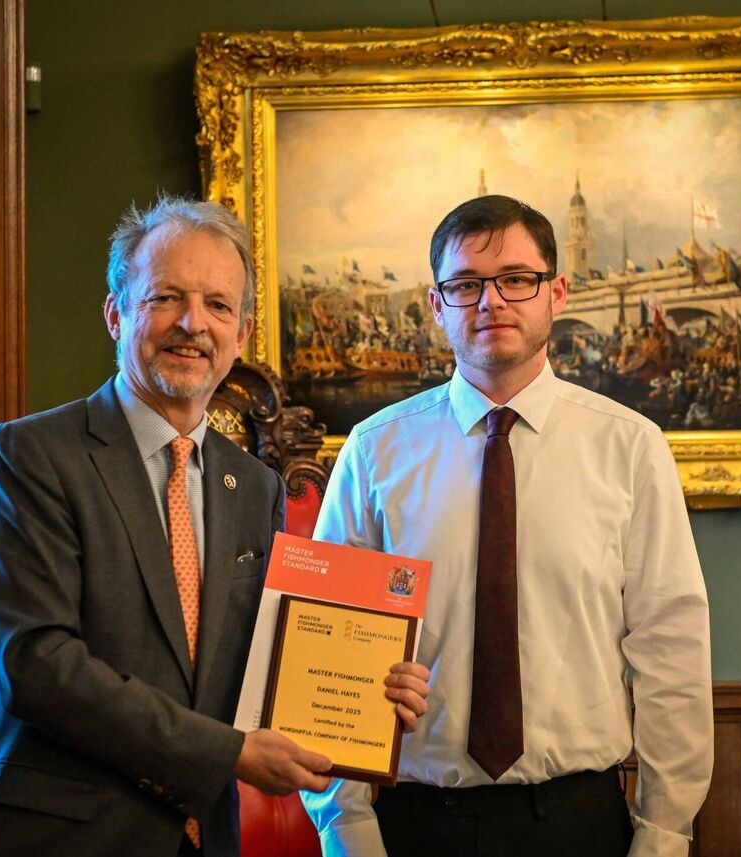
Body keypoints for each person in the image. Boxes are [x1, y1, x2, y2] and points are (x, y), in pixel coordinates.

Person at [0, 196, 428, 857]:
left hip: (202, 839)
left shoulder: (253, 485)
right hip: (59, 837)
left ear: (242, 333)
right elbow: (37, 667)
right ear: (117, 312)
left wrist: (368, 695)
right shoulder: (28, 456)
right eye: (166, 297)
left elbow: (251, 676)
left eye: (217, 304)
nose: (192, 323)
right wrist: (230, 751)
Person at [302, 195, 712, 857]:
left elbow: (672, 653)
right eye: (465, 285)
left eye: (516, 279)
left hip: (579, 821)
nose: (492, 301)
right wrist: (344, 827)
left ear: (557, 290)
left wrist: (664, 833)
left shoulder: (630, 448)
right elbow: (325, 658)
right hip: (415, 823)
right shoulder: (373, 452)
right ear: (437, 306)